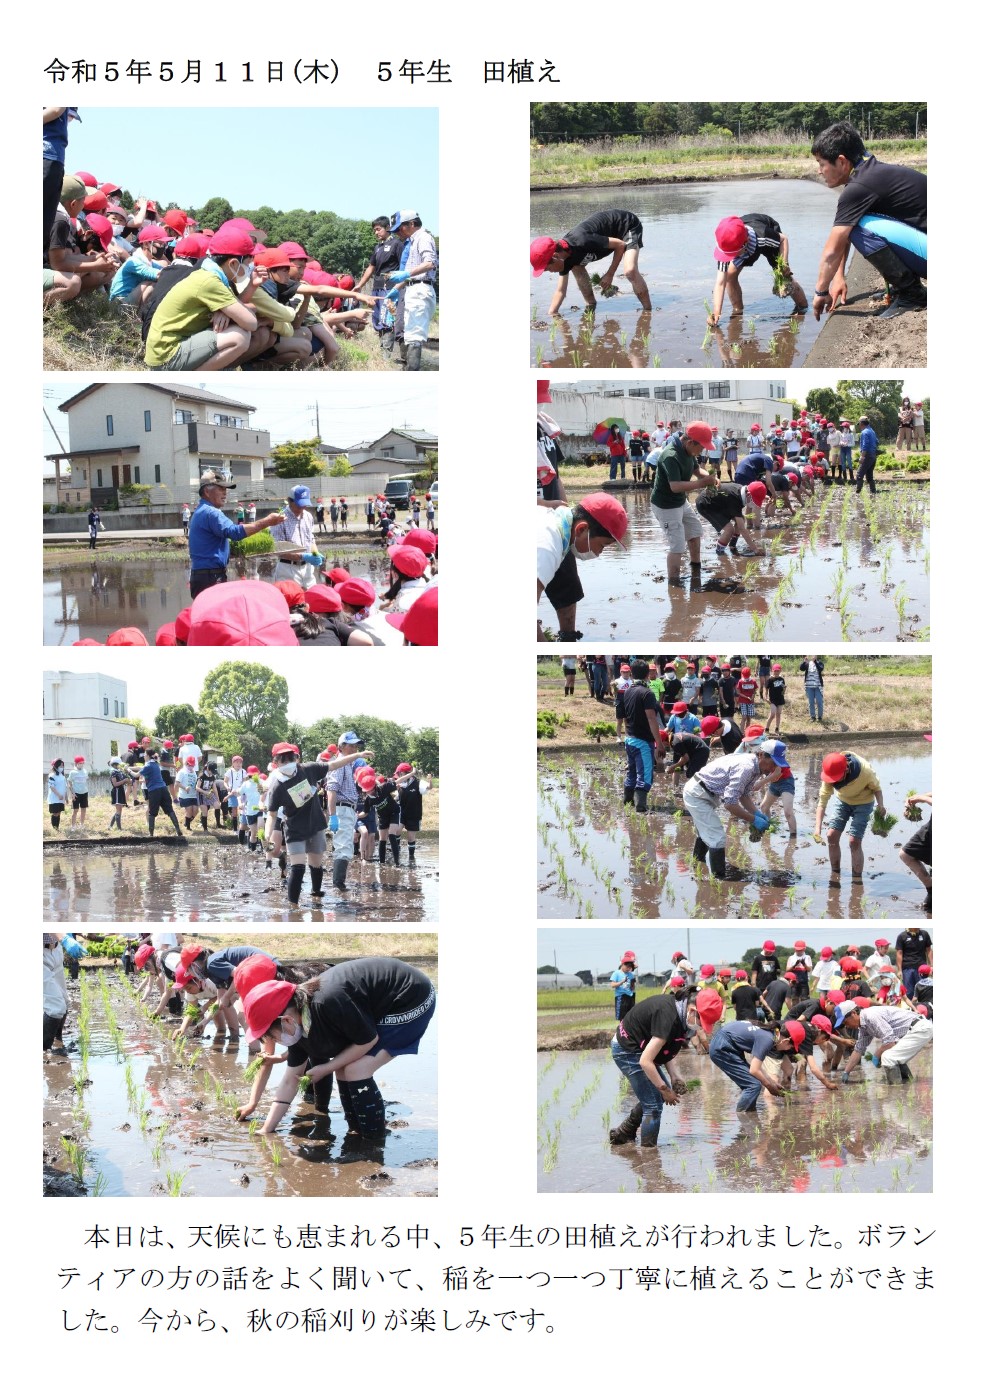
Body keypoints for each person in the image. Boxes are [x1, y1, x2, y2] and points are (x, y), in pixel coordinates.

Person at [241, 958, 435, 1139]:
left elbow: (367, 1040)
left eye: (273, 1035)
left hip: (411, 996)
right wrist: (267, 1129)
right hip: (381, 1003)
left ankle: (373, 1140)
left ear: (286, 1020)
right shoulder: (299, 1029)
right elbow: (290, 1080)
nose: (277, 1041)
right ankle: (356, 1129)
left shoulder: (328, 1002)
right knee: (344, 1068)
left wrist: (326, 1068)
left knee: (356, 1069)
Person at [811, 120, 927, 321]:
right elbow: (843, 235)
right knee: (856, 224)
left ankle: (913, 294)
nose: (819, 171)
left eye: (822, 164)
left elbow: (833, 249)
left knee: (859, 228)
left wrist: (821, 292)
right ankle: (906, 288)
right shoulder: (870, 171)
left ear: (841, 161)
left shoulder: (859, 188)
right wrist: (838, 277)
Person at [536, 495, 628, 641]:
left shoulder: (556, 523)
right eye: (602, 546)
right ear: (581, 529)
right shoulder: (547, 547)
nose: (599, 553)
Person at [681, 737, 776, 878]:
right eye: (773, 763)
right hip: (698, 794)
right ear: (761, 755)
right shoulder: (746, 768)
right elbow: (730, 804)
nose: (774, 768)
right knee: (717, 837)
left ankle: (697, 862)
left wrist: (756, 812)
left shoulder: (755, 767)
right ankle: (719, 879)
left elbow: (743, 795)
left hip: (706, 792)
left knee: (706, 831)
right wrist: (753, 819)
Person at [187, 469, 285, 599]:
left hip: (201, 576)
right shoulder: (211, 513)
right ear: (207, 491)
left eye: (226, 489)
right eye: (221, 488)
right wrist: (267, 521)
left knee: (207, 617)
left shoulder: (201, 511)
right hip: (210, 578)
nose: (225, 492)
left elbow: (208, 545)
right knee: (216, 616)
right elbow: (235, 532)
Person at [531, 210, 652, 314]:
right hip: (609, 240)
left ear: (555, 256)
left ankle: (647, 312)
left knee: (630, 271)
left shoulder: (582, 240)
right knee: (576, 266)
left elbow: (619, 244)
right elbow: (560, 291)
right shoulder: (565, 259)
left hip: (626, 226)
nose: (549, 272)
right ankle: (591, 304)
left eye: (547, 268)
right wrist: (552, 313)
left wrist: (609, 274)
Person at [608, 992, 690, 1147]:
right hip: (627, 1049)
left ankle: (623, 1133)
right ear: (692, 1010)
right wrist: (665, 1090)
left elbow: (664, 1048)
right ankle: (648, 1153)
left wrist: (674, 1076)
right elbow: (645, 1061)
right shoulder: (669, 1017)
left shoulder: (680, 1013)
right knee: (653, 1106)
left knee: (653, 1099)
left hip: (639, 1047)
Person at [650, 422, 718, 582]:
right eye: (701, 447)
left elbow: (696, 470)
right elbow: (675, 486)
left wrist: (709, 477)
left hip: (680, 501)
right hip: (666, 505)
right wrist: (702, 483)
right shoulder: (671, 456)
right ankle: (674, 585)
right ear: (690, 442)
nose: (702, 451)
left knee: (695, 532)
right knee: (677, 545)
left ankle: (696, 570)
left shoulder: (688, 451)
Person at [709, 214, 807, 324]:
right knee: (730, 275)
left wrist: (784, 264)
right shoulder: (726, 243)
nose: (729, 258)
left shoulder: (764, 236)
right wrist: (716, 312)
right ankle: (738, 311)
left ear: (745, 244)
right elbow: (720, 283)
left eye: (732, 254)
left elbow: (783, 239)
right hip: (743, 243)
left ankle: (803, 307)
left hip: (766, 238)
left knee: (784, 276)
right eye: (728, 255)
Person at [814, 751, 886, 882]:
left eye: (837, 778)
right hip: (843, 801)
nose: (833, 781)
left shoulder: (865, 771)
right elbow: (822, 801)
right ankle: (835, 875)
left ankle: (857, 881)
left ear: (846, 769)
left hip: (863, 803)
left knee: (854, 841)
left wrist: (881, 805)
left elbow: (877, 789)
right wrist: (817, 828)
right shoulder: (830, 771)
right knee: (831, 835)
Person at [384, 210, 438, 371]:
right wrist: (395, 289)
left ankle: (412, 371)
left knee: (414, 334)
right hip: (412, 287)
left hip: (421, 287)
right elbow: (407, 275)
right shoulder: (412, 242)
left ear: (412, 224)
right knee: (408, 333)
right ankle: (409, 368)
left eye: (400, 228)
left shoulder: (424, 238)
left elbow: (430, 262)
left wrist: (406, 274)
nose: (398, 233)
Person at [708, 1018, 801, 1112]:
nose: (787, 1049)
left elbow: (757, 1066)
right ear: (786, 1040)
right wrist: (769, 1086)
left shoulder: (771, 1033)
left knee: (753, 1083)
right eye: (790, 1047)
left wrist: (772, 1082)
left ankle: (750, 1114)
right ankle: (743, 1115)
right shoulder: (767, 1039)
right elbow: (754, 1070)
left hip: (728, 1044)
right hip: (722, 1047)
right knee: (753, 1085)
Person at [835, 1000, 932, 1085]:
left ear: (853, 1013)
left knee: (888, 1057)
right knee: (894, 1056)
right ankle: (907, 1085)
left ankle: (895, 1092)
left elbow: (890, 1041)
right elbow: (858, 1050)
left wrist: (876, 1055)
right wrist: (846, 1072)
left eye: (845, 1022)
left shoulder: (871, 1016)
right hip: (915, 1030)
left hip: (919, 1028)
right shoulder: (864, 1026)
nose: (846, 1026)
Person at [622, 662, 663, 812]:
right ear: (647, 675)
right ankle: (640, 807)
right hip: (643, 741)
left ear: (631, 674)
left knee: (632, 771)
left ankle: (627, 801)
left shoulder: (628, 692)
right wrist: (659, 742)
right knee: (645, 774)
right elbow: (651, 719)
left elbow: (626, 716)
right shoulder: (647, 693)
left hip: (630, 739)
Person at [271, 484, 325, 588]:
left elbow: (311, 539)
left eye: (304, 504)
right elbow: (278, 550)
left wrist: (315, 552)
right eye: (299, 504)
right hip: (288, 569)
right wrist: (303, 556)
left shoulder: (308, 516)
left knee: (311, 599)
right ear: (290, 501)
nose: (302, 507)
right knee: (292, 602)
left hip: (307, 569)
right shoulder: (280, 519)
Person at [141, 749, 185, 841]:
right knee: (170, 810)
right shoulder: (156, 763)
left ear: (148, 756)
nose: (144, 756)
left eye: (145, 754)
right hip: (164, 789)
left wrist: (128, 770)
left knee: (152, 812)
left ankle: (151, 835)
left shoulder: (149, 765)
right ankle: (178, 830)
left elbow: (137, 773)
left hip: (154, 791)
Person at [900, 790, 932, 911]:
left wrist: (922, 799)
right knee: (905, 855)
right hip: (931, 827)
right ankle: (931, 889)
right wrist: (914, 799)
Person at [895, 928, 933, 999]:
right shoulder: (902, 936)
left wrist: (931, 966)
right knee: (909, 992)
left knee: (923, 989)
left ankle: (924, 1007)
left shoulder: (924, 934)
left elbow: (929, 950)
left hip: (922, 968)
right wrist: (899, 970)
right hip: (907, 968)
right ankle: (911, 1008)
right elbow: (899, 953)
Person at [610, 952, 638, 1021]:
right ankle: (622, 1030)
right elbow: (612, 985)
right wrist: (621, 982)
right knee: (622, 1017)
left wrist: (632, 984)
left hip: (630, 996)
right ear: (622, 964)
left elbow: (632, 987)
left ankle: (629, 1030)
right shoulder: (616, 973)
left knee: (631, 1016)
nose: (628, 969)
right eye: (627, 967)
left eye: (630, 967)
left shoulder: (630, 974)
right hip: (621, 997)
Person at [856, 416, 879, 495]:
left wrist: (862, 456)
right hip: (873, 455)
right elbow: (877, 442)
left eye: (859, 424)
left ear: (862, 423)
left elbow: (865, 445)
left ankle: (857, 493)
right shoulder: (872, 431)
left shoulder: (864, 432)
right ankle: (873, 491)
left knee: (859, 474)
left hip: (867, 455)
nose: (859, 426)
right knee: (869, 475)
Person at [66, 755, 89, 831]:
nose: (81, 764)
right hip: (76, 793)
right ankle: (73, 826)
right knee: (75, 810)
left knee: (83, 809)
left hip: (84, 793)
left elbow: (85, 781)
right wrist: (72, 793)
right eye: (80, 763)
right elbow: (69, 782)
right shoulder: (73, 772)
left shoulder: (85, 771)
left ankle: (82, 824)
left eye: (82, 763)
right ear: (76, 764)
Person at [800, 657, 824, 723]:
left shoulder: (819, 662)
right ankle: (812, 717)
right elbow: (801, 668)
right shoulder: (807, 663)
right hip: (809, 686)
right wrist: (804, 661)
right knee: (811, 702)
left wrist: (815, 661)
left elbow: (820, 669)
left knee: (819, 702)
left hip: (818, 686)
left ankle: (820, 717)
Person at [764, 662, 786, 734]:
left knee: (778, 714)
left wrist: (784, 689)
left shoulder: (781, 679)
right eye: (775, 670)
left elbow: (783, 692)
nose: (776, 672)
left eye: (778, 670)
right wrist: (766, 697)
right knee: (772, 714)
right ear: (772, 671)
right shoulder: (770, 679)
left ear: (780, 671)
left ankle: (777, 729)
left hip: (780, 699)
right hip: (772, 700)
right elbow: (766, 690)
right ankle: (767, 728)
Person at [47, 759, 68, 830]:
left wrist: (66, 797)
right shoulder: (52, 775)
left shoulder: (62, 776)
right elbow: (52, 787)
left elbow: (65, 787)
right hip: (54, 798)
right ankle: (54, 828)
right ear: (56, 766)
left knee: (59, 813)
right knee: (55, 813)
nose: (62, 767)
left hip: (61, 799)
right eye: (60, 765)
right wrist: (58, 795)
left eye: (63, 766)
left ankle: (57, 828)